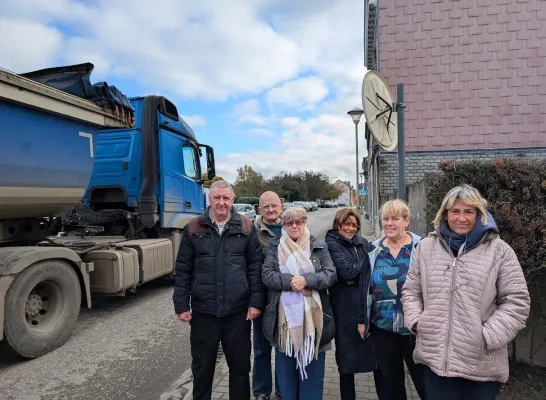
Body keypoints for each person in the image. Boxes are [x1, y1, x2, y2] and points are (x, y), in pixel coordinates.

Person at [401, 184, 530, 400]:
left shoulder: (499, 251)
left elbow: (516, 302)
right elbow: (411, 291)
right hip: (436, 363)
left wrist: (487, 336)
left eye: (469, 211)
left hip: (481, 366)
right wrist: (417, 322)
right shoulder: (425, 248)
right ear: (445, 214)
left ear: (479, 215)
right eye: (455, 211)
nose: (462, 218)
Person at [173, 180, 265, 400]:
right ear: (210, 199)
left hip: (238, 313)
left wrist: (255, 302)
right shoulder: (193, 227)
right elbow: (183, 269)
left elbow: (255, 267)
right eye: (217, 197)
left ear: (233, 200)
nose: (221, 202)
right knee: (202, 369)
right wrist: (181, 305)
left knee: (240, 369)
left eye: (226, 198)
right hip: (204, 313)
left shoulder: (246, 227)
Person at [261, 207, 336, 400]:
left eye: (299, 222)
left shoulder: (319, 246)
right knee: (287, 381)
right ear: (283, 225)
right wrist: (291, 283)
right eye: (289, 222)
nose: (294, 225)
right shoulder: (275, 246)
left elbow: (330, 274)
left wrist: (308, 281)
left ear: (305, 223)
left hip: (314, 325)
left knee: (313, 380)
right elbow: (267, 275)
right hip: (284, 324)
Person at [357, 199, 426, 400]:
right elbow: (364, 288)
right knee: (389, 385)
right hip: (383, 327)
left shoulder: (422, 248)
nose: (389, 223)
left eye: (395, 219)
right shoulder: (372, 250)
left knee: (425, 384)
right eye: (385, 219)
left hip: (417, 329)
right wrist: (362, 320)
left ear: (406, 221)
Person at [325, 208, 376, 400]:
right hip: (343, 307)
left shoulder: (362, 242)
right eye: (347, 224)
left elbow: (374, 265)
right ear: (338, 224)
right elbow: (347, 272)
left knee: (374, 353)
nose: (351, 228)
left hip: (366, 305)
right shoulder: (331, 243)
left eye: (354, 225)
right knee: (346, 357)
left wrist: (358, 273)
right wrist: (364, 267)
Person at [253, 191, 284, 400]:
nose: (271, 210)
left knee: (284, 348)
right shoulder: (252, 232)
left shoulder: (292, 226)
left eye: (274, 206)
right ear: (259, 209)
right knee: (262, 349)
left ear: (281, 206)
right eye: (266, 207)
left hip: (288, 299)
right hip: (263, 300)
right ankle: (261, 392)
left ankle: (283, 389)